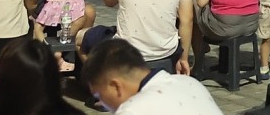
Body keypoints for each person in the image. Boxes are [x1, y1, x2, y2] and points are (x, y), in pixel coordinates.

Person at [83, 38, 224, 114]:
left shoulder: (132, 110)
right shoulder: (189, 82)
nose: (102, 103)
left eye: (99, 96)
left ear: (115, 86)